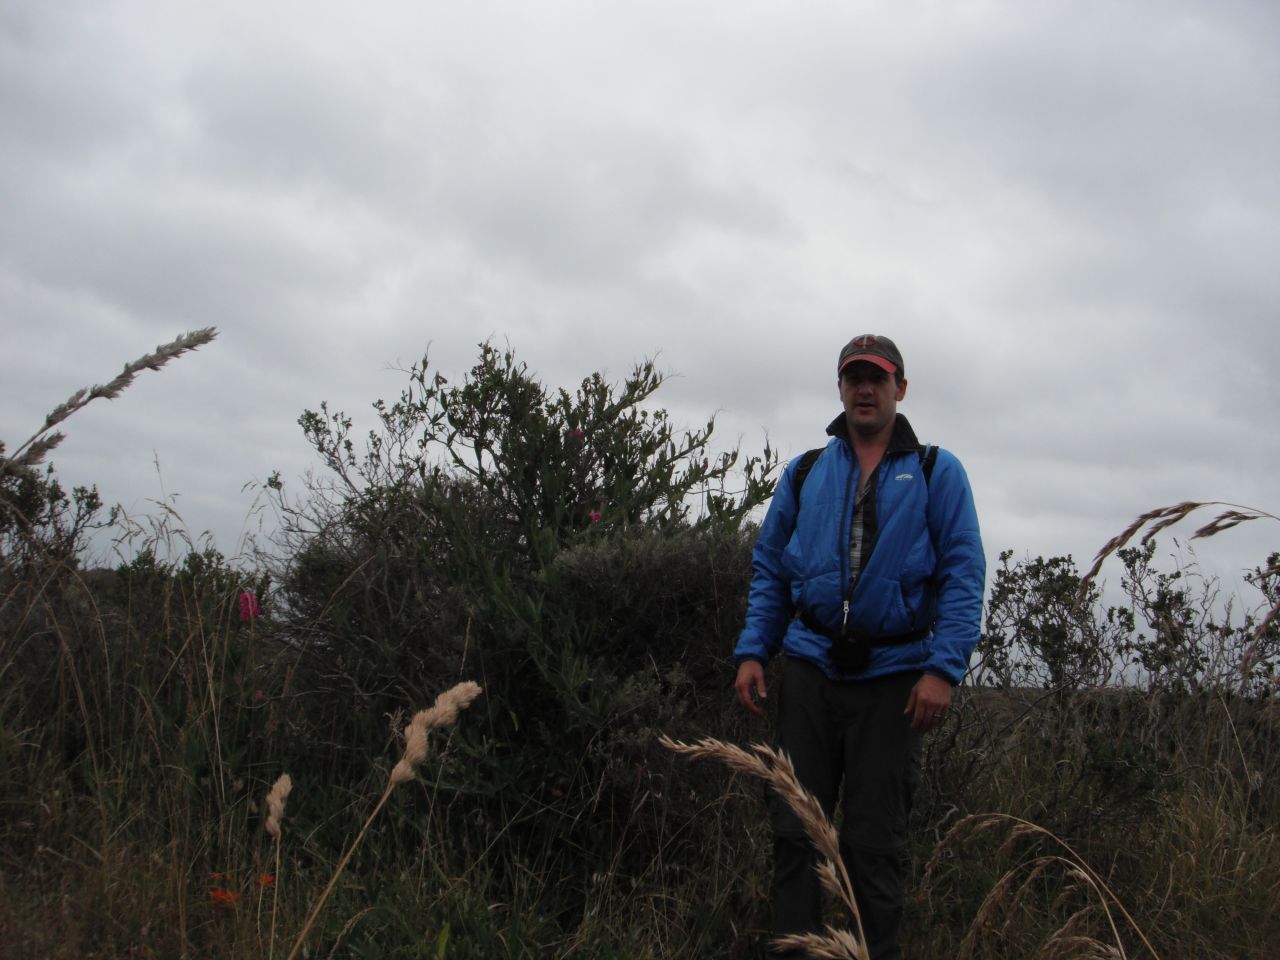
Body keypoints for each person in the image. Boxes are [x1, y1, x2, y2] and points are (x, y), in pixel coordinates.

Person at [733, 334, 984, 959]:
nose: (864, 390)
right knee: (795, 836)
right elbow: (771, 568)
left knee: (874, 849)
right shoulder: (807, 470)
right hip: (812, 675)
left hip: (894, 683)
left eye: (878, 378)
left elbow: (963, 571)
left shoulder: (934, 470)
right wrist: (753, 651)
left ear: (900, 388)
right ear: (840, 388)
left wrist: (943, 669)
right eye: (853, 378)